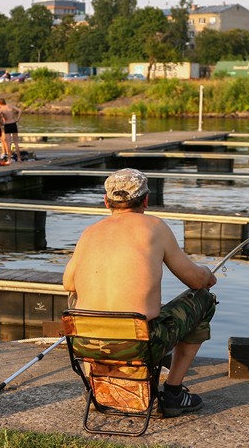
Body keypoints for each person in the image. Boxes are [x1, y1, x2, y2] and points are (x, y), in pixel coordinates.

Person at [63, 168, 217, 418]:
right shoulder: (155, 227)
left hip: (85, 344)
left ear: (106, 202)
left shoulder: (89, 232)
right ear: (146, 200)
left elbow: (68, 283)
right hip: (139, 345)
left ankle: (96, 386)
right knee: (203, 300)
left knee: (76, 297)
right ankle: (174, 393)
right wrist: (208, 274)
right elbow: (196, 280)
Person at [0, 98, 22, 163]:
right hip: (13, 123)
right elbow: (20, 110)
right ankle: (19, 158)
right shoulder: (10, 106)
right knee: (16, 143)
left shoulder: (1, 110)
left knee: (8, 143)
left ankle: (9, 159)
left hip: (7, 124)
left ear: (0, 104)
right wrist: (18, 119)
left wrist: (1, 123)